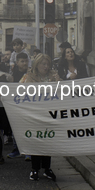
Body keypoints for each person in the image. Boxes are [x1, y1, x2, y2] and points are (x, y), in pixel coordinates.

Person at [22, 53, 60, 181]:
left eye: (48, 64)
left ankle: (47, 168)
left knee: (48, 141)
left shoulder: (53, 76)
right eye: (43, 64)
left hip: (49, 113)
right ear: (37, 65)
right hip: (36, 114)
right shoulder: (29, 77)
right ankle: (35, 169)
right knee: (36, 141)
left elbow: (63, 92)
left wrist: (57, 80)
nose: (46, 66)